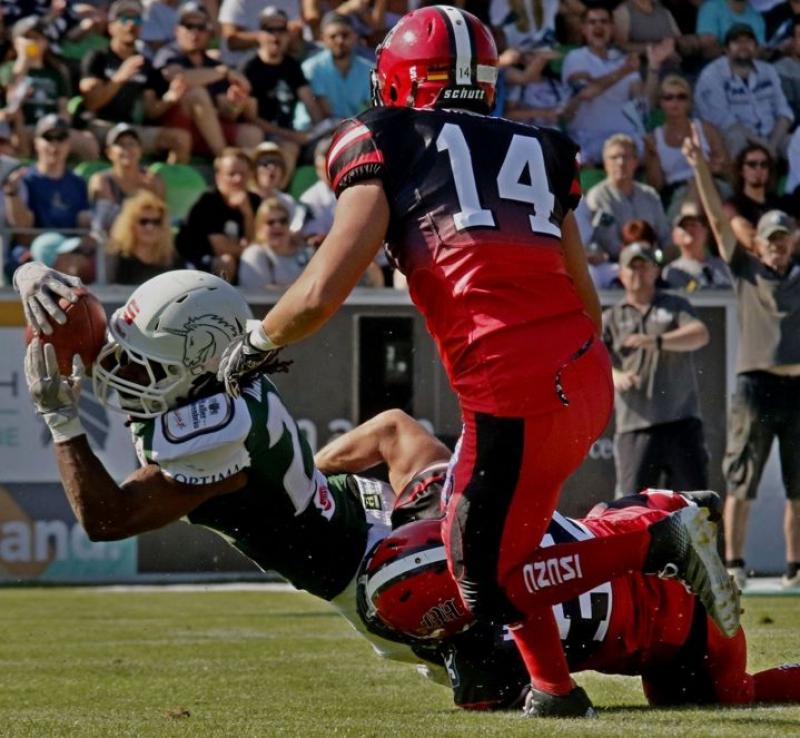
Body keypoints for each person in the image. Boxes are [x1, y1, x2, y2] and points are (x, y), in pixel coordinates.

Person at [216, 6, 740, 718]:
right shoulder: (543, 147)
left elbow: (319, 290)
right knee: (504, 558)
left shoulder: (383, 135)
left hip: (510, 386)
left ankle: (660, 536)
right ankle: (555, 692)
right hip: (581, 374)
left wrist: (252, 346)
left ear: (404, 79)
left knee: (482, 584)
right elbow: (586, 294)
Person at [685, 122, 800, 592]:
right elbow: (716, 220)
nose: (775, 246)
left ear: (792, 240)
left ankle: (795, 568)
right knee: (742, 481)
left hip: (797, 387)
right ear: (761, 242)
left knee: (799, 489)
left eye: (782, 239)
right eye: (770, 240)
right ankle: (733, 564)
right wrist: (697, 168)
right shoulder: (746, 270)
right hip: (755, 384)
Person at [603, 241, 711, 496]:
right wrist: (615, 375)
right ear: (621, 274)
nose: (638, 272)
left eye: (644, 266)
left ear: (656, 271)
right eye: (633, 267)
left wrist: (657, 341)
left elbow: (700, 334)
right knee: (631, 508)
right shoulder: (611, 317)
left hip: (681, 421)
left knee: (694, 506)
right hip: (635, 425)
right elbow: (593, 359)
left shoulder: (674, 305)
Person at [79, 0, 192, 164]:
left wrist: (169, 99)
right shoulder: (97, 57)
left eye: (137, 19)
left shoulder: (144, 64)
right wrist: (119, 78)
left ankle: (161, 186)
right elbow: (91, 103)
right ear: (111, 27)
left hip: (132, 129)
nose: (131, 24)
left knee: (180, 139)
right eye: (124, 19)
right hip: (100, 126)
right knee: (124, 144)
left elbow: (150, 110)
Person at [153, 1, 262, 157]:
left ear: (209, 33)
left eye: (200, 27)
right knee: (197, 93)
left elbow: (226, 113)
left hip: (206, 132)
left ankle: (245, 176)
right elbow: (178, 78)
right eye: (188, 26)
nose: (194, 32)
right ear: (177, 30)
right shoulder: (169, 53)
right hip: (176, 129)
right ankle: (223, 157)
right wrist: (223, 72)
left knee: (252, 134)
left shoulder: (212, 63)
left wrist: (234, 104)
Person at [240, 6, 325, 177]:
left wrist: (320, 128)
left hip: (287, 134)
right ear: (260, 34)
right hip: (259, 135)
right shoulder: (249, 67)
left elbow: (309, 101)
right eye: (269, 30)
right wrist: (292, 136)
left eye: (281, 30)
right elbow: (250, 117)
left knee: (321, 145)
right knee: (286, 148)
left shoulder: (291, 66)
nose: (275, 36)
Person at [4, 15, 99, 162]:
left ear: (46, 43)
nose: (33, 41)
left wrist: (58, 129)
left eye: (38, 37)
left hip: (52, 129)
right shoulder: (7, 69)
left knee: (89, 143)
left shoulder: (56, 73)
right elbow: (10, 100)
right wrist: (23, 61)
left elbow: (64, 109)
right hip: (20, 129)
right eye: (27, 37)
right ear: (15, 42)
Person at [694, 23, 793, 160]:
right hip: (735, 138)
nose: (743, 46)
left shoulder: (768, 70)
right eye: (737, 42)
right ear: (726, 49)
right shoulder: (712, 75)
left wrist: (772, 145)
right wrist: (763, 147)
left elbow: (784, 112)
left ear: (756, 47)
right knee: (736, 139)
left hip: (771, 137)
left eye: (748, 41)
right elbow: (725, 122)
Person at [560, 6, 644, 165]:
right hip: (588, 140)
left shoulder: (623, 60)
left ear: (612, 28)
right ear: (583, 29)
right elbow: (585, 92)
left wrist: (654, 67)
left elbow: (642, 103)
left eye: (604, 22)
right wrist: (623, 71)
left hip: (626, 137)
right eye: (592, 22)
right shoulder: (575, 58)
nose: (598, 27)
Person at [643, 74, 729, 212]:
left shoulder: (706, 129)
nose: (675, 102)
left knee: (700, 183)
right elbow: (656, 185)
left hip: (711, 185)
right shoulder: (654, 137)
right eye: (668, 97)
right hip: (677, 192)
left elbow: (726, 167)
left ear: (689, 102)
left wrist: (710, 166)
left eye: (681, 97)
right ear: (661, 103)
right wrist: (653, 155)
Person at [175, 146, 260, 280]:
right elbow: (221, 248)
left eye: (242, 174)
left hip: (241, 261)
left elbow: (260, 239)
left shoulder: (255, 201)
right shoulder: (207, 202)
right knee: (226, 262)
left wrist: (248, 215)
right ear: (219, 177)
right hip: (198, 264)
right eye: (231, 174)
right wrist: (250, 248)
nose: (238, 179)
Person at [586, 133, 671, 264]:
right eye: (614, 157)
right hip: (616, 265)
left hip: (654, 262)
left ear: (636, 161)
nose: (621, 162)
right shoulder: (598, 197)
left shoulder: (649, 194)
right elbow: (608, 242)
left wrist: (660, 257)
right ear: (605, 163)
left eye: (626, 157)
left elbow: (664, 235)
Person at [4, 114, 92, 238]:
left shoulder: (78, 183)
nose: (54, 144)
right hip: (33, 251)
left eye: (61, 138)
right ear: (36, 142)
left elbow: (83, 223)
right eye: (48, 138)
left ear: (69, 143)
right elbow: (22, 229)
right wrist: (12, 194)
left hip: (71, 249)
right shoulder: (24, 179)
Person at [88, 123, 166, 238]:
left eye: (132, 144)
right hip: (112, 241)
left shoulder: (153, 179)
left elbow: (160, 220)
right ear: (109, 153)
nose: (127, 149)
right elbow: (104, 224)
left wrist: (152, 194)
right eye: (121, 145)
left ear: (140, 150)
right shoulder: (102, 181)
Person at [300, 12, 372, 125]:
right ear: (322, 38)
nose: (340, 41)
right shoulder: (310, 68)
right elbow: (323, 113)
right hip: (316, 132)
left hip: (354, 133)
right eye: (333, 36)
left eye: (345, 35)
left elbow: (372, 109)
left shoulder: (369, 69)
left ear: (355, 36)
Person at [106, 190, 182, 284]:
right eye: (143, 221)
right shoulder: (116, 259)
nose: (150, 227)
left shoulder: (171, 259)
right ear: (130, 225)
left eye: (156, 222)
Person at [238, 197, 312, 289]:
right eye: (270, 222)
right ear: (259, 228)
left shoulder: (307, 253)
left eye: (283, 221)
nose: (278, 225)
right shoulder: (254, 254)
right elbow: (258, 292)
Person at [662, 202, 732, 290]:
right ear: (674, 237)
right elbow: (686, 295)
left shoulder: (724, 267)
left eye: (693, 225)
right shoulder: (672, 271)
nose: (689, 229)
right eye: (683, 226)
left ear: (705, 232)